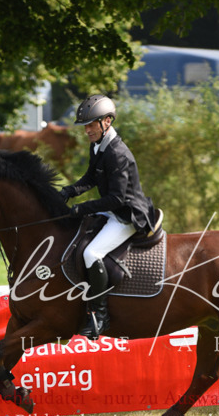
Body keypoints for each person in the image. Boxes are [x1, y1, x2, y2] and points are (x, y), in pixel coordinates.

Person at [60, 94, 157, 339]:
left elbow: (117, 199)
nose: (87, 130)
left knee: (92, 253)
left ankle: (99, 316)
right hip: (113, 209)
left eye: (91, 125)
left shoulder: (118, 154)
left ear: (107, 122)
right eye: (86, 126)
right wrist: (70, 191)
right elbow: (91, 178)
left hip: (128, 215)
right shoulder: (98, 146)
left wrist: (82, 208)